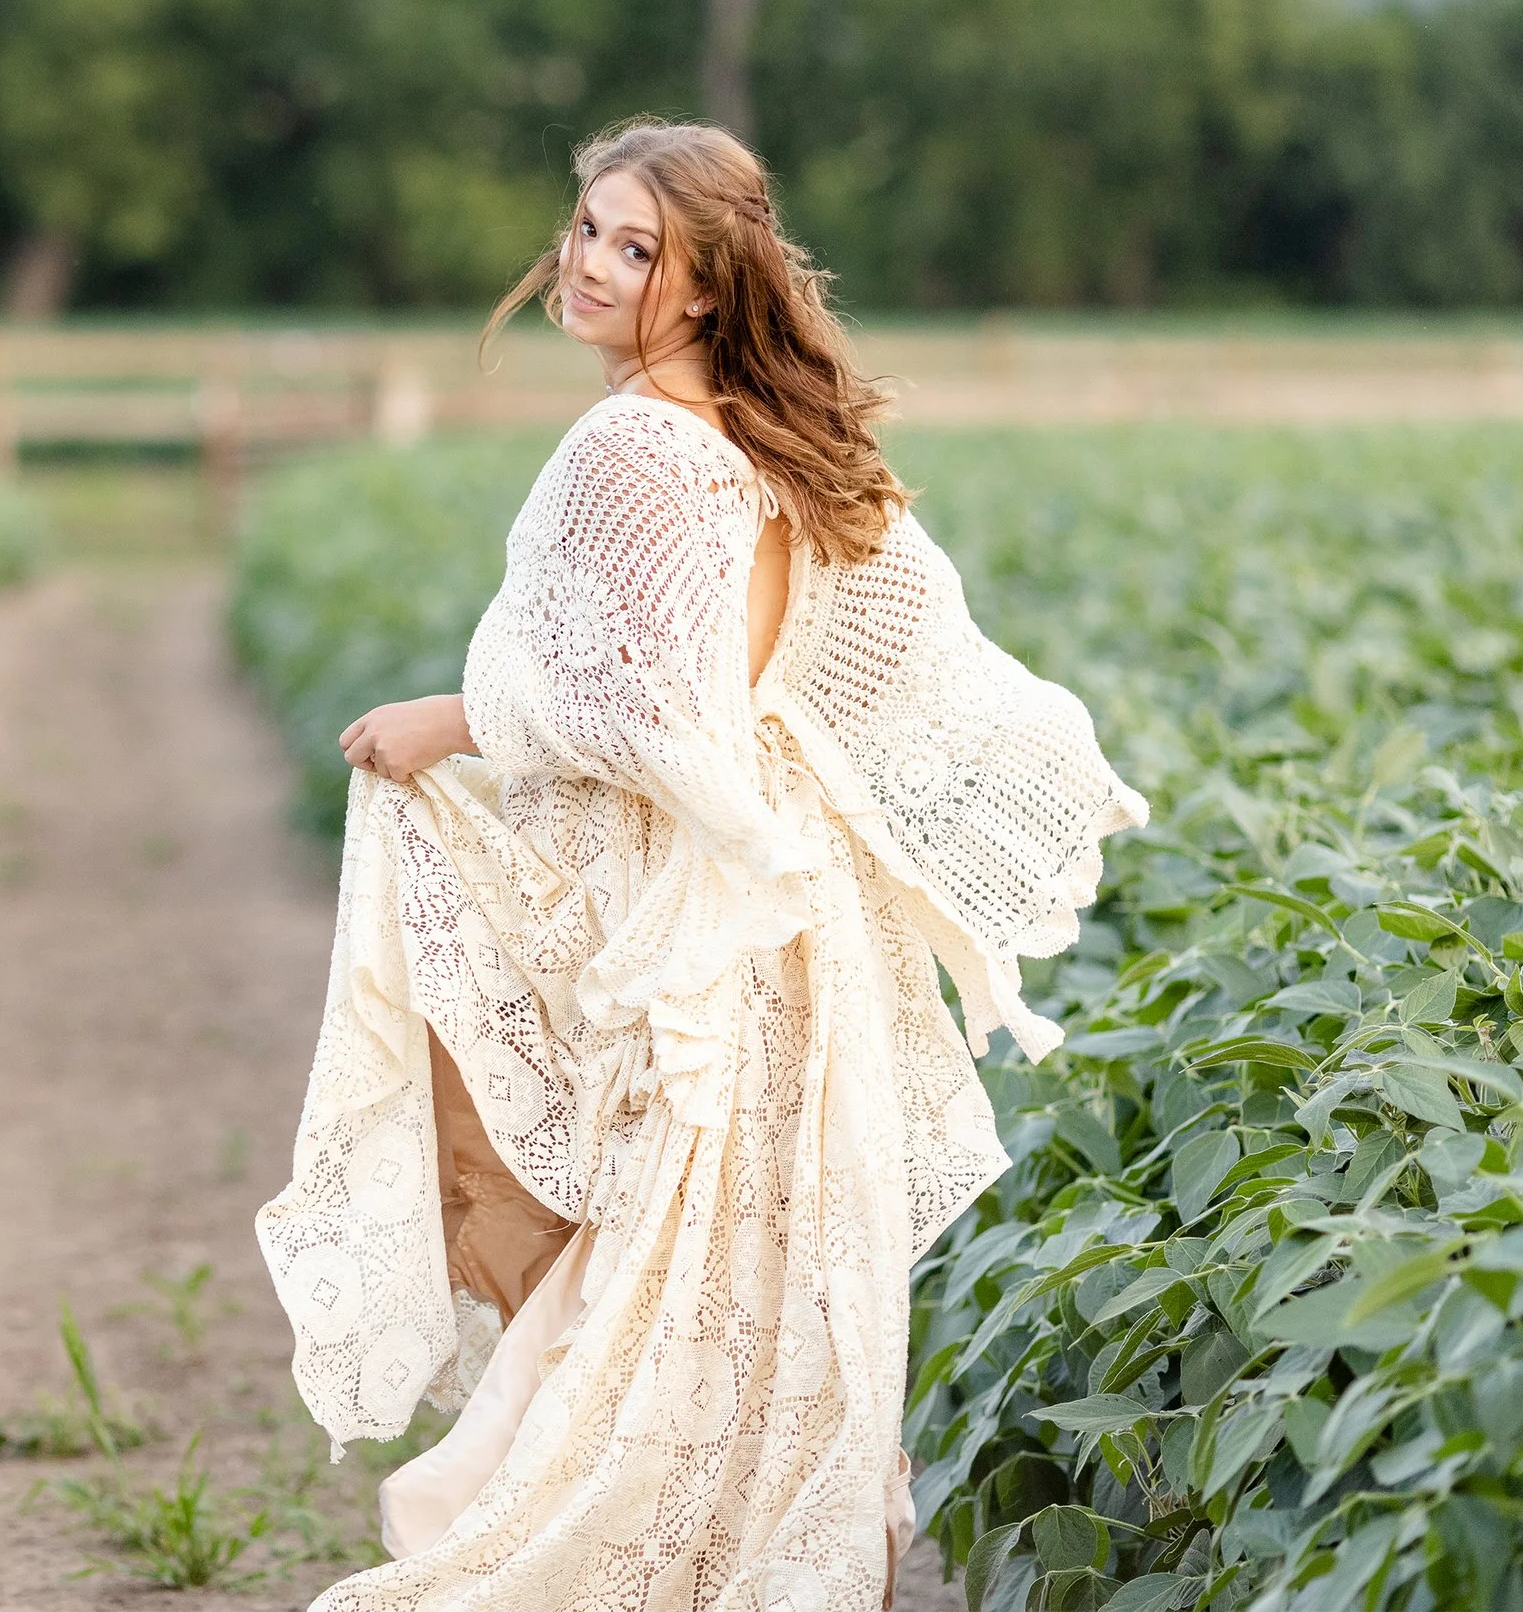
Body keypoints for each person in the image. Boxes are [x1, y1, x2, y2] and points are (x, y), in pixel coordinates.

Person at [256, 120, 1145, 1612]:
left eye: (637, 248)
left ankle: (602, 1562)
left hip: (723, 911)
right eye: (589, 230)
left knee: (681, 1270)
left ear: (710, 281)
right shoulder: (764, 440)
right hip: (797, 911)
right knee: (746, 1267)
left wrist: (456, 719)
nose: (593, 266)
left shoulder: (638, 444)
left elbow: (651, 710)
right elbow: (809, 678)